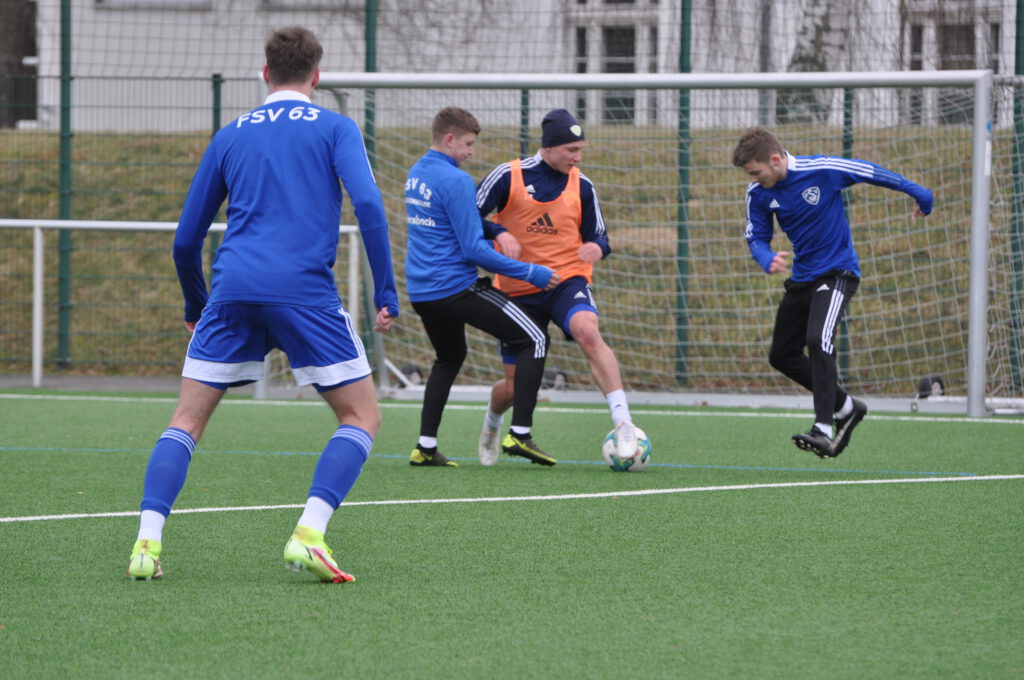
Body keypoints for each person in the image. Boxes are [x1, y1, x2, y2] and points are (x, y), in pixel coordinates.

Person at [125, 26, 398, 583]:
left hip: (233, 291)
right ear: (316, 76)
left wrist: (196, 302)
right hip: (304, 293)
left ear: (265, 73)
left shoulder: (231, 134)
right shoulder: (336, 127)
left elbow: (185, 239)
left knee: (185, 421)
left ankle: (145, 545)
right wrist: (385, 290)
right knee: (361, 416)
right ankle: (309, 534)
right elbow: (369, 207)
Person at [731, 126, 932, 458]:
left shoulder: (821, 169)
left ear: (775, 160)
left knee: (818, 339)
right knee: (781, 355)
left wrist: (918, 192)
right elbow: (756, 236)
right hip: (803, 278)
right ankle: (847, 407)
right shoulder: (758, 192)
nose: (752, 179)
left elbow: (868, 171)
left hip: (839, 272)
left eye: (755, 172)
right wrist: (765, 257)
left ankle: (824, 428)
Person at [475, 108, 640, 467]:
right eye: (571, 150)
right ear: (549, 147)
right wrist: (499, 232)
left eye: (580, 150)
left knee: (588, 331)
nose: (577, 157)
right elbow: (468, 216)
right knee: (515, 388)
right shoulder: (507, 175)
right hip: (518, 287)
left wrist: (597, 247)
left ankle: (623, 423)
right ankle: (492, 421)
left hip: (567, 280)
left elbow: (600, 236)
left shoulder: (583, 185)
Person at [405, 107, 561, 468]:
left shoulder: (417, 173)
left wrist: (497, 231)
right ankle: (519, 434)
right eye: (468, 144)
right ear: (450, 139)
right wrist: (531, 272)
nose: (471, 152)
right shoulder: (456, 180)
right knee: (535, 339)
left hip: (422, 292)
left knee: (449, 356)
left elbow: (457, 226)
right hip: (455, 289)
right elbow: (473, 250)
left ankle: (425, 447)